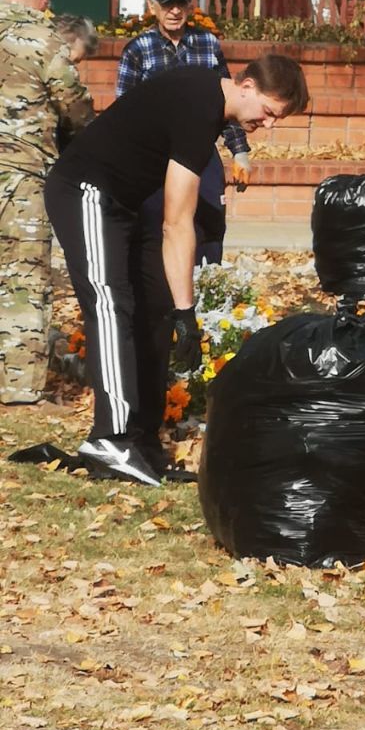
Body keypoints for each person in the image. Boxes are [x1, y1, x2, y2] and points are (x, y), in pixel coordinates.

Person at [44, 55, 309, 485]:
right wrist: (190, 312)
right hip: (85, 191)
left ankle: (143, 441)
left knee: (155, 306)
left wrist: (178, 310)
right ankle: (110, 439)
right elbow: (177, 221)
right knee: (111, 305)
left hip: (125, 205)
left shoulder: (208, 106)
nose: (268, 124)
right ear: (246, 86)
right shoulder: (198, 105)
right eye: (269, 111)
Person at [1, 0, 98, 404]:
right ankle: (17, 386)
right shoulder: (45, 39)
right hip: (21, 178)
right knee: (23, 277)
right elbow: (74, 107)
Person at [116, 0, 252, 263]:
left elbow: (228, 101)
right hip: (155, 156)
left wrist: (239, 152)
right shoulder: (137, 50)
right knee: (157, 227)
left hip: (202, 151)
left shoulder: (208, 45)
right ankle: (161, 297)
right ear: (153, 6)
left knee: (211, 225)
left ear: (190, 6)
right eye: (167, 4)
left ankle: (208, 291)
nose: (175, 11)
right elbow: (123, 113)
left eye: (180, 4)